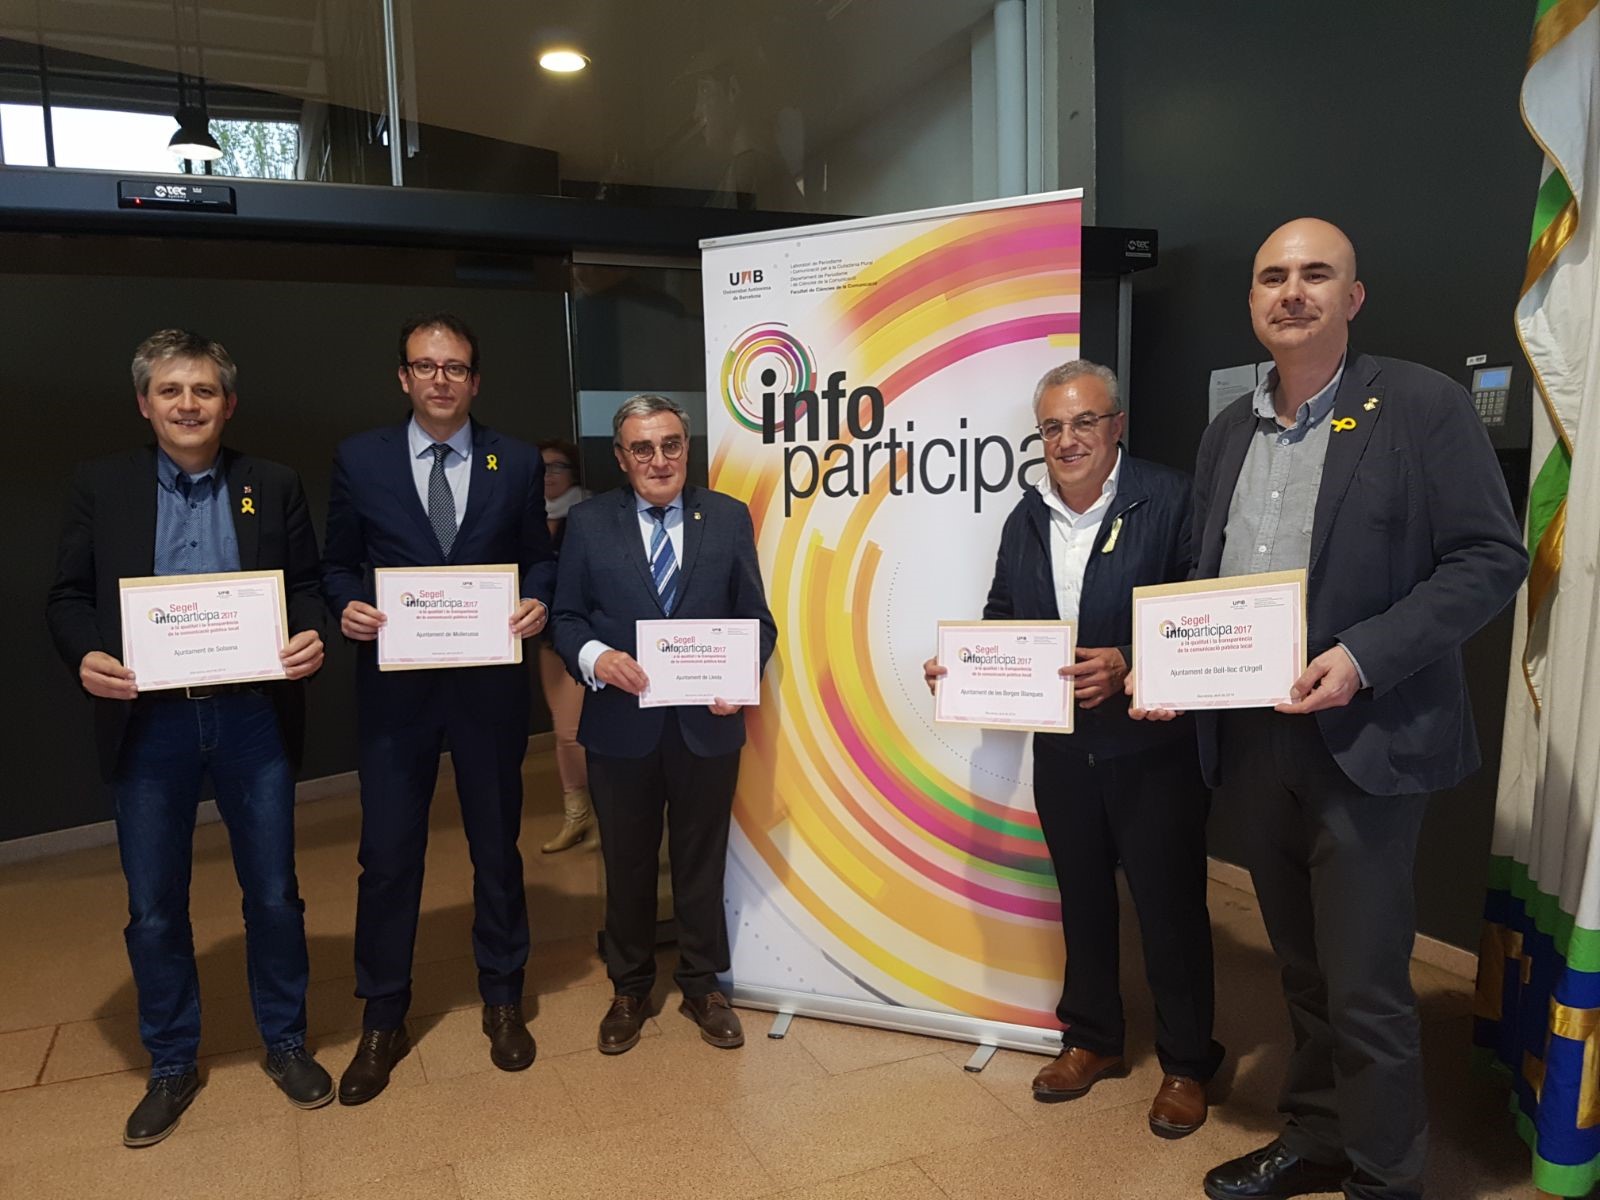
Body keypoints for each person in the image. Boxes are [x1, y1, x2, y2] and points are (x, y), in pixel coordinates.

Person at [1135, 219, 1527, 1200]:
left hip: (1365, 741)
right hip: (1253, 742)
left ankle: (1386, 1177)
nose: (1292, 291)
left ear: (1352, 299)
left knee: (1364, 984)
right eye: (1273, 276)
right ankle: (1317, 1134)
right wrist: (1167, 667)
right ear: (1253, 301)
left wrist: (1360, 657)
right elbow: (1206, 573)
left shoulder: (1421, 405)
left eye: (1316, 275)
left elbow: (1490, 559)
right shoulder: (1228, 430)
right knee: (1301, 970)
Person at [46, 329, 332, 1146]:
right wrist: (84, 654)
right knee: (153, 907)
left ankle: (285, 1041)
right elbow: (66, 597)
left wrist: (310, 632)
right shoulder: (103, 484)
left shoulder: (272, 483)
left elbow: (307, 585)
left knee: (272, 893)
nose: (188, 405)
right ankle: (171, 1060)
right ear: (145, 403)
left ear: (228, 403)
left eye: (204, 390)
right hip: (150, 721)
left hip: (251, 715)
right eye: (170, 390)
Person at [923, 360, 1222, 1138]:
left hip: (1154, 750)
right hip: (1062, 754)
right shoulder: (1025, 516)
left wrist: (1128, 660)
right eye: (1052, 426)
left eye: (1084, 421)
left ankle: (1188, 1063)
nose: (1067, 439)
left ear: (1116, 425)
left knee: (1169, 910)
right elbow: (1003, 612)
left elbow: (1201, 612)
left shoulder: (1172, 498)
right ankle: (1092, 1039)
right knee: (1082, 901)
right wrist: (966, 666)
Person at [321, 313, 556, 1103]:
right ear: (404, 377)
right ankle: (383, 1014)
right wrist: (347, 605)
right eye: (425, 366)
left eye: (455, 367)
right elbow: (336, 563)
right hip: (397, 692)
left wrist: (538, 599)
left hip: (489, 688)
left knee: (497, 848)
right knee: (388, 857)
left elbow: (540, 559)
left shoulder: (514, 460)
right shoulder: (361, 458)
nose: (440, 379)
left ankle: (503, 997)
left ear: (475, 381)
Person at [552, 394, 776, 1054]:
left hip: (707, 726)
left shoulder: (727, 517)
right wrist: (597, 658)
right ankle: (629, 986)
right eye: (643, 448)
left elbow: (757, 621)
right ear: (621, 458)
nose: (659, 459)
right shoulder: (589, 522)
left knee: (701, 861)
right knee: (626, 863)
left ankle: (704, 985)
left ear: (687, 448)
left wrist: (741, 677)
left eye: (671, 444)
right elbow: (566, 619)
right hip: (621, 727)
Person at [536, 438, 593, 853]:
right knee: (562, 732)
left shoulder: (590, 514)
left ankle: (604, 814)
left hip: (586, 638)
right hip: (547, 639)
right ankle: (577, 815)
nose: (548, 476)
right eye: (542, 469)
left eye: (557, 467)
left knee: (574, 733)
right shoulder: (528, 518)